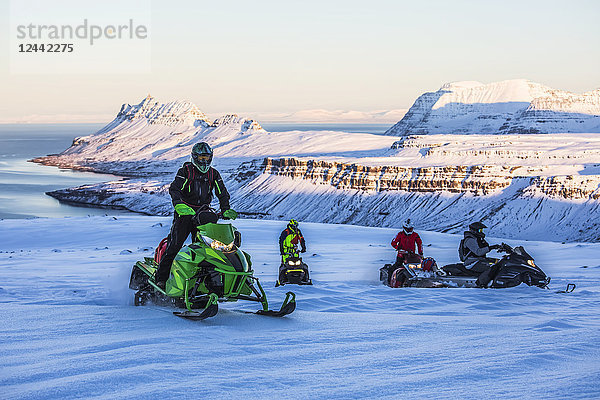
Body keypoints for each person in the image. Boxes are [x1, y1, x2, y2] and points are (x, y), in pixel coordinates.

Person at [155, 142, 238, 288]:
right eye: (201, 158)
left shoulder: (213, 174)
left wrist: (225, 208)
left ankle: (206, 282)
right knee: (175, 245)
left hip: (204, 216)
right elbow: (175, 189)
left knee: (209, 249)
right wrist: (179, 204)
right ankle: (161, 279)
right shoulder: (186, 171)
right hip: (185, 213)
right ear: (194, 157)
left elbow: (222, 193)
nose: (204, 161)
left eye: (207, 158)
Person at [459, 221, 502, 287]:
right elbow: (478, 252)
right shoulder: (470, 240)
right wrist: (491, 248)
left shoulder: (478, 239)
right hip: (472, 262)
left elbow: (484, 248)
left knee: (499, 262)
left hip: (479, 260)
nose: (481, 232)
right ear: (474, 230)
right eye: (480, 230)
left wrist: (499, 247)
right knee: (492, 267)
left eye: (481, 230)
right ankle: (481, 283)